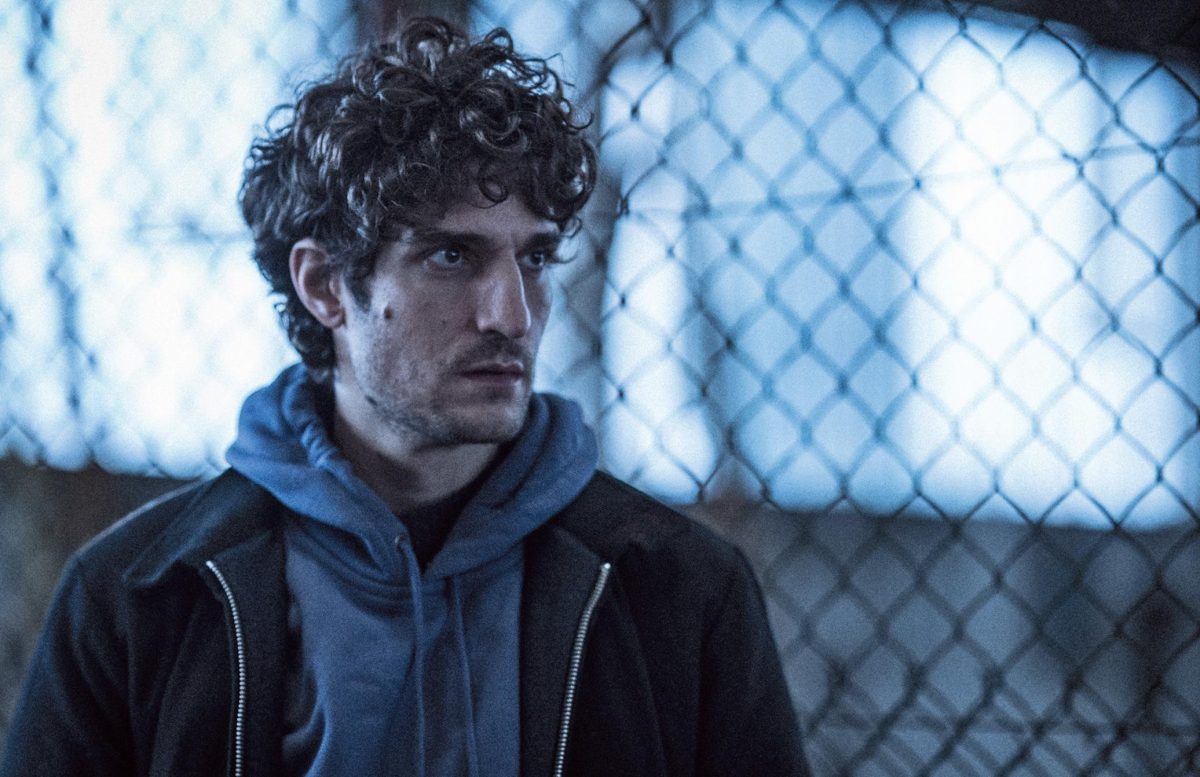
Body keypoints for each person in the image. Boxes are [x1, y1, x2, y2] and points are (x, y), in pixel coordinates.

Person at [0, 17, 808, 777]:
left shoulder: (681, 591)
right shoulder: (136, 596)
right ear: (324, 285)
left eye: (533, 258)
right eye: (452, 256)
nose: (512, 316)